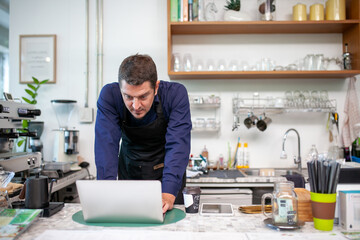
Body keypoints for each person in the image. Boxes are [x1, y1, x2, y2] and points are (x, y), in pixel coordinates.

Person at [95, 54, 192, 213]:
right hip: (130, 170)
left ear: (156, 87)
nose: (136, 105)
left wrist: (168, 193)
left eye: (143, 96)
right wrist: (106, 191)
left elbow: (178, 144)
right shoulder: (109, 96)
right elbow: (106, 145)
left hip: (168, 172)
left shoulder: (175, 95)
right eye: (128, 96)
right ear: (120, 90)